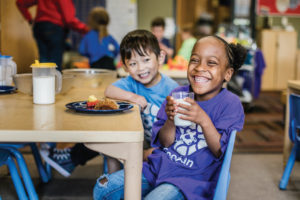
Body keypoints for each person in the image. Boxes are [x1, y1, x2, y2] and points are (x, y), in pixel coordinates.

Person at [93, 35, 247, 200]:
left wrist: (203, 120)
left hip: (190, 179)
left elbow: (219, 152)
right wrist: (171, 120)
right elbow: (165, 142)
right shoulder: (178, 94)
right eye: (195, 60)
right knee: (103, 187)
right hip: (158, 167)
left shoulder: (230, 104)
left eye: (211, 63)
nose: (200, 68)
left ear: (228, 73)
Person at [39, 29, 179, 176]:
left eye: (146, 60)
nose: (141, 68)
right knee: (106, 128)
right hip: (139, 141)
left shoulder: (172, 89)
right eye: (133, 63)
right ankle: (105, 177)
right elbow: (110, 90)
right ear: (124, 66)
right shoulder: (132, 83)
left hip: (163, 147)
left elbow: (181, 131)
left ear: (160, 57)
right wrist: (134, 97)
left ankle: (72, 159)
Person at [16, 0, 88, 71]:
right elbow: (69, 20)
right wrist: (86, 29)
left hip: (40, 26)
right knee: (54, 62)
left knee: (44, 60)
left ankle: (42, 81)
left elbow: (20, 3)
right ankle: (53, 81)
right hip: (55, 28)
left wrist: (29, 19)